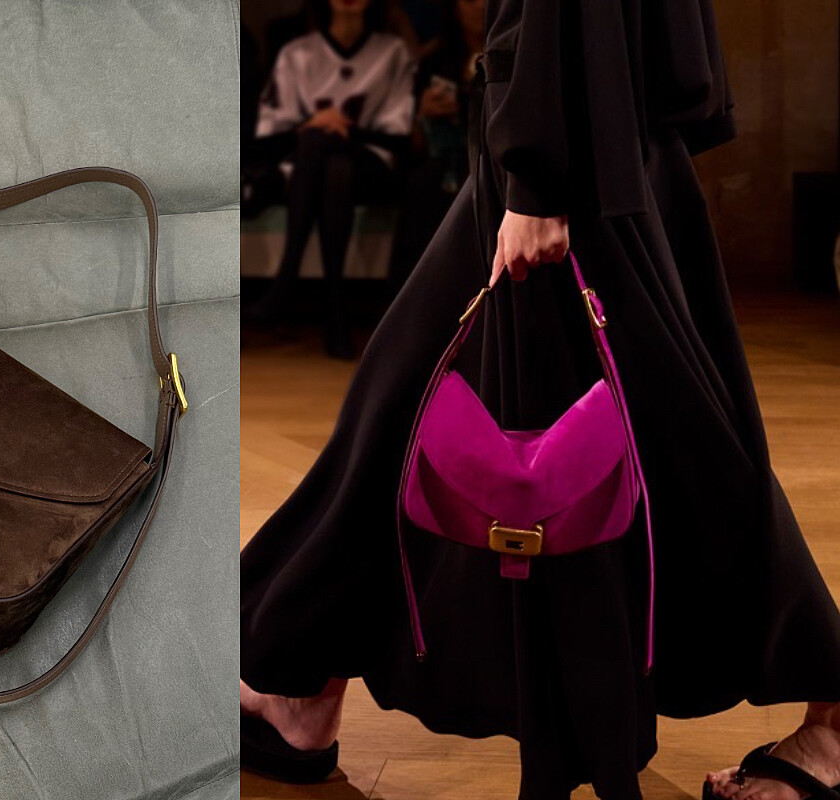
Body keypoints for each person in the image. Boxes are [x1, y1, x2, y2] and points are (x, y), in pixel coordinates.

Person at [241, 0, 840, 798]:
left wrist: (536, 176)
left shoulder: (546, 166)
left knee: (681, 449)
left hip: (564, 150)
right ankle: (297, 679)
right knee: (413, 411)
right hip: (590, 128)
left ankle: (295, 677)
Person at [246, 0, 415, 359]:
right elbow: (266, 139)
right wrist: (311, 126)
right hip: (309, 171)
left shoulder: (392, 52)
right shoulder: (297, 53)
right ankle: (335, 312)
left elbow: (399, 138)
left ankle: (286, 278)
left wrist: (345, 128)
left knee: (325, 145)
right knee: (331, 160)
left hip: (373, 168)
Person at [387, 0, 484, 293]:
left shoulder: (516, 59)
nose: (480, 6)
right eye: (470, 0)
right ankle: (416, 295)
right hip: (444, 160)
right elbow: (413, 144)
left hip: (490, 161)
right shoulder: (435, 60)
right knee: (424, 183)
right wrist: (424, 115)